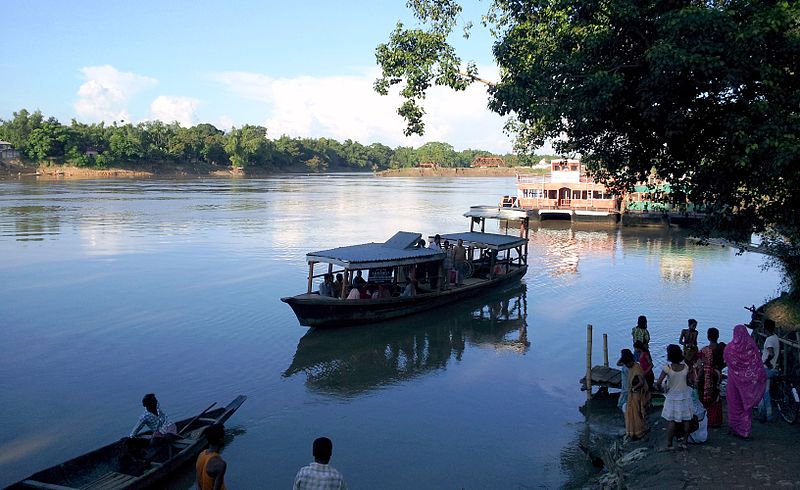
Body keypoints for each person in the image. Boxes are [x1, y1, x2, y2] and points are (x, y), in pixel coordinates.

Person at [723, 324, 767, 439]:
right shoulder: (751, 348)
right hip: (747, 384)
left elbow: (726, 360)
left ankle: (735, 428)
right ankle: (745, 429)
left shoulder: (729, 348)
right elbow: (757, 364)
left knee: (734, 404)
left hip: (733, 381)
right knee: (745, 405)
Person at [656, 344, 693, 450]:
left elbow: (658, 383)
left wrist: (663, 389)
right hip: (685, 395)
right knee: (687, 420)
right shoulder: (686, 367)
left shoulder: (667, 368)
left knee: (672, 421)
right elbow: (689, 382)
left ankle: (669, 444)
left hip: (672, 397)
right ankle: (685, 442)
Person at [619, 349, 650, 439]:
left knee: (636, 414)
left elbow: (641, 382)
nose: (627, 365)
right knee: (630, 413)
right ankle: (632, 432)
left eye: (628, 363)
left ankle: (639, 431)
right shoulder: (631, 367)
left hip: (637, 395)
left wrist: (633, 388)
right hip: (631, 394)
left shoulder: (637, 367)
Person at [697, 327, 724, 427]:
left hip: (707, 375)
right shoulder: (722, 348)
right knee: (716, 395)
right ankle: (716, 420)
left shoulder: (704, 350)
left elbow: (700, 365)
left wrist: (697, 378)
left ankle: (707, 419)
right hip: (718, 374)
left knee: (706, 395)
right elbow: (725, 362)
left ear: (708, 337)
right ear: (718, 336)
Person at [759, 318, 780, 422]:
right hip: (771, 368)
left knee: (764, 392)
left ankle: (766, 414)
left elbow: (771, 353)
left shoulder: (769, 340)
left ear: (765, 328)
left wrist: (766, 362)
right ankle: (767, 413)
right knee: (766, 391)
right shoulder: (775, 337)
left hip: (766, 369)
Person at [196, 423, 227, 490]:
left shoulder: (201, 455)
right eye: (224, 436)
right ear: (221, 439)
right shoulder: (220, 464)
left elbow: (198, 483)